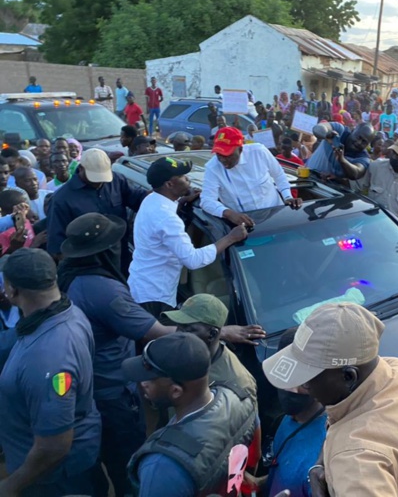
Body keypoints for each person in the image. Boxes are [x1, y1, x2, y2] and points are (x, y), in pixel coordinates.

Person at [262, 303, 398, 496]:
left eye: (308, 377)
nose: (303, 386)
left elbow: (357, 456)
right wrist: (321, 462)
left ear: (348, 377)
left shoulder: (355, 465)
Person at [57, 213, 178, 497]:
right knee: (127, 464)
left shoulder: (70, 275)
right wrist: (218, 332)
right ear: (103, 252)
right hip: (114, 396)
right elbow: (157, 332)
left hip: (89, 390)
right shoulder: (104, 290)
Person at [0, 249, 101, 497]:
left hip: (51, 478)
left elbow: (54, 447)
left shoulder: (49, 360)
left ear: (12, 291)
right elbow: (19, 338)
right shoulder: (67, 310)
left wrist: (10, 487)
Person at [124, 333, 258, 497]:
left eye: (149, 379)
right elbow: (254, 457)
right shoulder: (240, 398)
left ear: (176, 391)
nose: (143, 383)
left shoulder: (162, 466)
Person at [128, 156, 247, 316]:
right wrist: (230, 238)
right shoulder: (167, 218)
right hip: (155, 297)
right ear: (169, 184)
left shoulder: (152, 199)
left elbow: (163, 220)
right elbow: (193, 260)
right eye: (183, 177)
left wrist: (181, 201)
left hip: (143, 285)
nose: (188, 179)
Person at [244, 327, 326, 497]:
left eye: (301, 380)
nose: (291, 389)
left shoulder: (324, 460)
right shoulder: (289, 418)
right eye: (285, 376)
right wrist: (259, 482)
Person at [47, 148, 148, 273]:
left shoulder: (117, 181)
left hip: (122, 258)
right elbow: (57, 245)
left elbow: (138, 200)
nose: (99, 182)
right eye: (94, 178)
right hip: (88, 266)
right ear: (81, 168)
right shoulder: (61, 199)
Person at [165, 294, 259, 404]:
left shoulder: (237, 382)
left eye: (188, 330)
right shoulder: (183, 352)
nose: (178, 334)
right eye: (179, 327)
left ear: (212, 334)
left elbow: (246, 419)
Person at [200, 127, 302, 226]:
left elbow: (279, 175)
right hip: (246, 227)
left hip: (275, 218)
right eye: (219, 154)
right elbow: (207, 200)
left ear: (240, 149)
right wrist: (229, 213)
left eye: (227, 155)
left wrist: (287, 196)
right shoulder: (212, 168)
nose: (223, 160)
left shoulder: (259, 152)